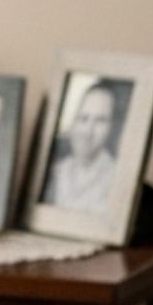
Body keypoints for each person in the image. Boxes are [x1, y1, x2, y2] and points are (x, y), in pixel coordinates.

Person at [44, 80, 123, 212]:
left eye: (100, 121)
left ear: (112, 127)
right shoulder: (56, 172)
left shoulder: (117, 178)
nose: (88, 131)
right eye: (83, 118)